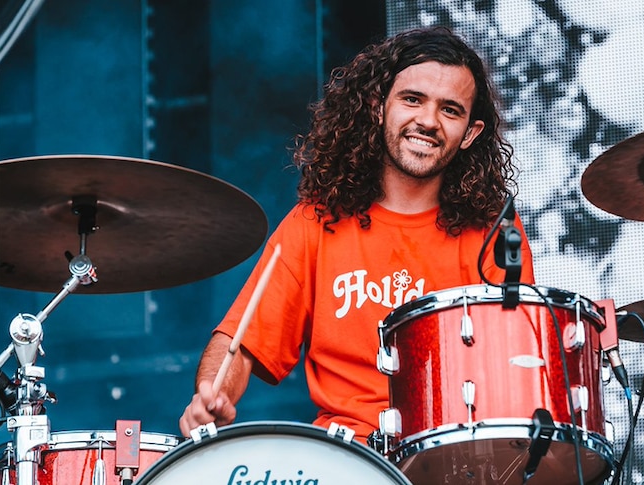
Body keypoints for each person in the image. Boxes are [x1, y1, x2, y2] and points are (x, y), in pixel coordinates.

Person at [178, 26, 535, 443]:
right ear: (378, 107)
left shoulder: (494, 231)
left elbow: (515, 368)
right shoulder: (316, 221)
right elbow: (239, 341)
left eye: (450, 110)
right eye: (412, 99)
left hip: (452, 452)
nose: (427, 121)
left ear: (470, 133)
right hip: (344, 457)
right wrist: (212, 393)